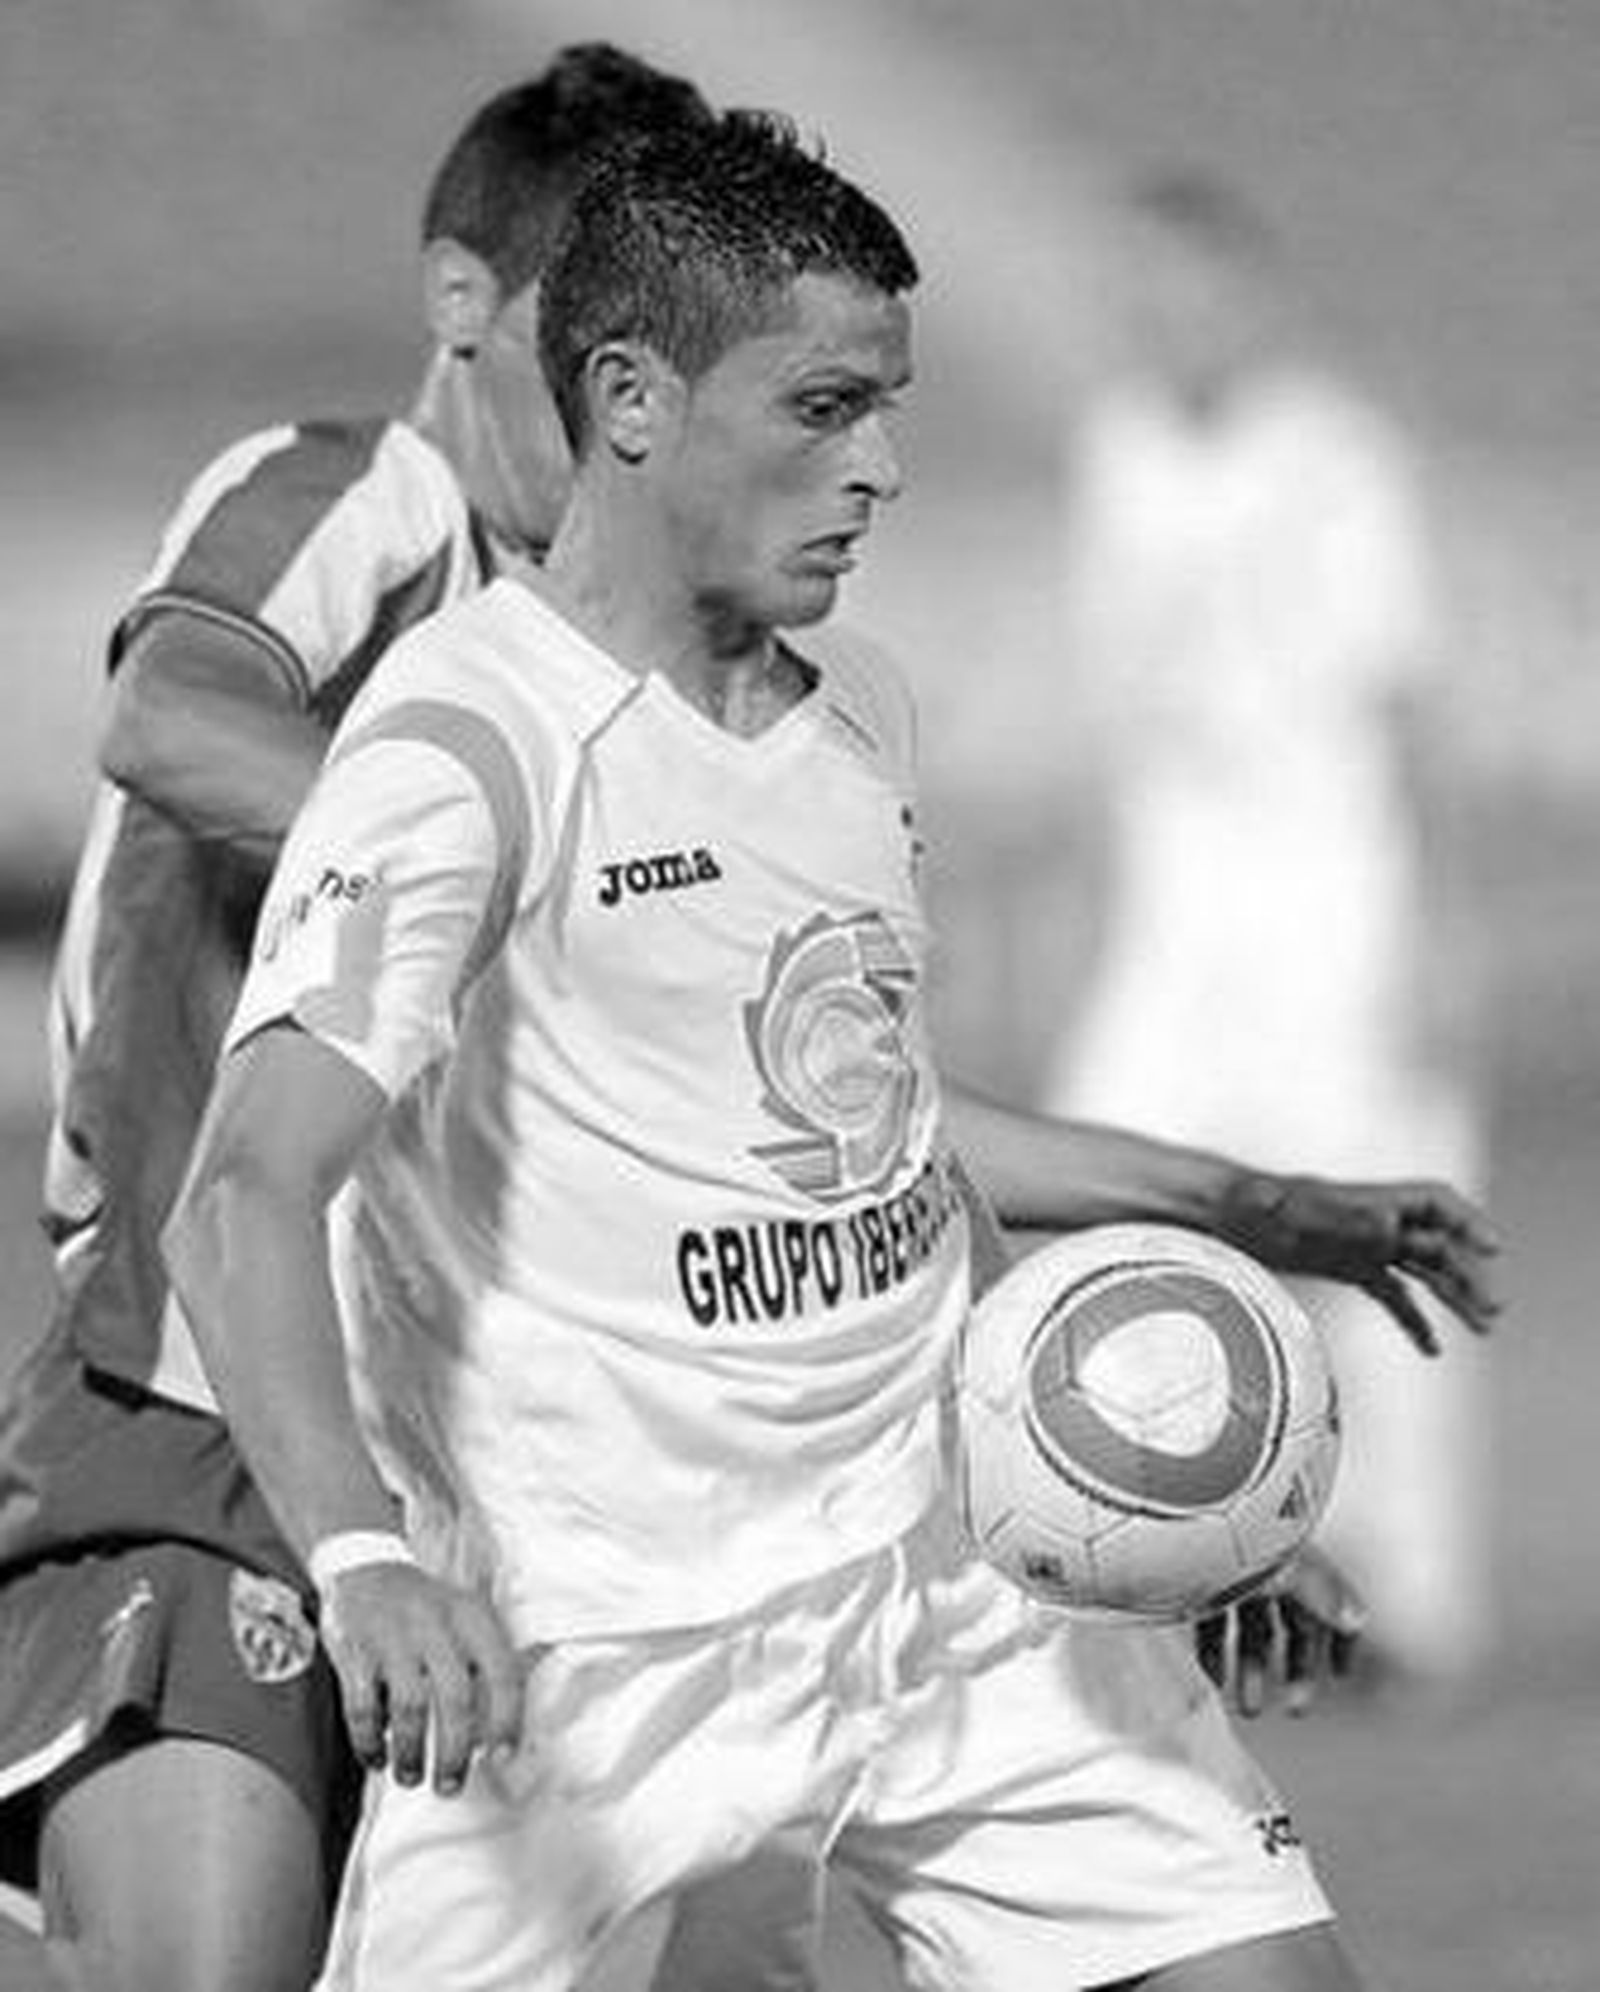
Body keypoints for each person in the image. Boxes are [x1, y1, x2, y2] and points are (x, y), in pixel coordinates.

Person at [166, 111, 1497, 1992]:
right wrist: (368, 1561)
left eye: (891, 408)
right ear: (632, 400)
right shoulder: (461, 749)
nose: (878, 467)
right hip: (599, 1657)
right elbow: (241, 1197)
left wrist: (1138, 1508)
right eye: (821, 409)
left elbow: (871, 1156)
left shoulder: (859, 705)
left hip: (956, 1608)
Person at [0, 46, 715, 1992]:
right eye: (599, 330)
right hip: (205, 1417)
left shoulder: (624, 676)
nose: (627, 398)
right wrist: (494, 859)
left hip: (514, 1474)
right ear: (465, 304)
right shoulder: (346, 501)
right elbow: (164, 717)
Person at [1040, 167, 1494, 1694]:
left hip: (1331, 904)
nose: (1162, 318)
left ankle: (1408, 1603)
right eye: (1139, 290)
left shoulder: (1338, 463)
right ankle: (1139, 1563)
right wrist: (1089, 918)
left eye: (1186, 286)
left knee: (1376, 1238)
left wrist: (1439, 929)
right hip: (1178, 908)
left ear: (1250, 293)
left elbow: (1409, 709)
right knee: (1105, 1223)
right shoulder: (1116, 456)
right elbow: (1113, 726)